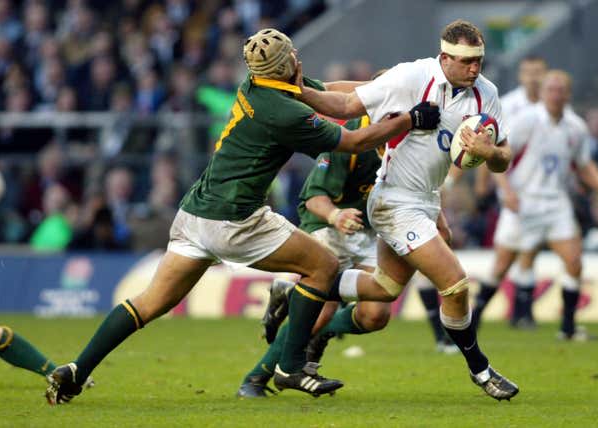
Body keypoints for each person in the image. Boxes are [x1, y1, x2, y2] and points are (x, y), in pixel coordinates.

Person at [44, 28, 437, 405]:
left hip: (195, 212)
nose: (298, 58)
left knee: (149, 303)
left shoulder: (257, 86)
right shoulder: (286, 113)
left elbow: (331, 92)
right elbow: (353, 140)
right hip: (235, 220)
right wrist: (410, 119)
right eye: (293, 55)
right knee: (323, 265)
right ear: (287, 65)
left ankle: (77, 369)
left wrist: (386, 92)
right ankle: (290, 366)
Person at [294, 20, 518, 400]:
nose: (475, 69)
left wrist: (490, 153)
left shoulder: (486, 93)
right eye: (466, 62)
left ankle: (304, 290)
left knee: (383, 290)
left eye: (479, 60)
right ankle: (481, 370)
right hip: (394, 200)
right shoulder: (411, 77)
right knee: (456, 283)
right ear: (444, 57)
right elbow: (348, 102)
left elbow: (504, 157)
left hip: (427, 200)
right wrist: (298, 91)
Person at [237, 115, 457, 397]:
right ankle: (254, 380)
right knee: (318, 312)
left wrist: (440, 228)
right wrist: (336, 215)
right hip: (329, 226)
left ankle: (298, 300)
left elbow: (419, 192)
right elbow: (314, 197)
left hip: (368, 232)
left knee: (376, 314)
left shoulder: (411, 146)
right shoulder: (349, 140)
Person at [475, 70, 598, 340]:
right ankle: (471, 323)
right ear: (542, 93)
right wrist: (506, 191)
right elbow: (498, 156)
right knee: (501, 267)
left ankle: (568, 328)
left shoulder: (575, 127)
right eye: (551, 89)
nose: (556, 94)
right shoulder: (526, 121)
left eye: (561, 89)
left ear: (568, 94)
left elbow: (583, 164)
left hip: (555, 204)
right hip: (522, 203)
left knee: (574, 261)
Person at [472, 56, 548, 328]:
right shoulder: (509, 105)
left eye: (538, 71)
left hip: (544, 193)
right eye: (528, 72)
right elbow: (490, 145)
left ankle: (522, 314)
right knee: (505, 259)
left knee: (530, 251)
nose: (533, 77)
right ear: (520, 75)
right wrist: (485, 184)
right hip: (514, 191)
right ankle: (478, 313)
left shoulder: (552, 106)